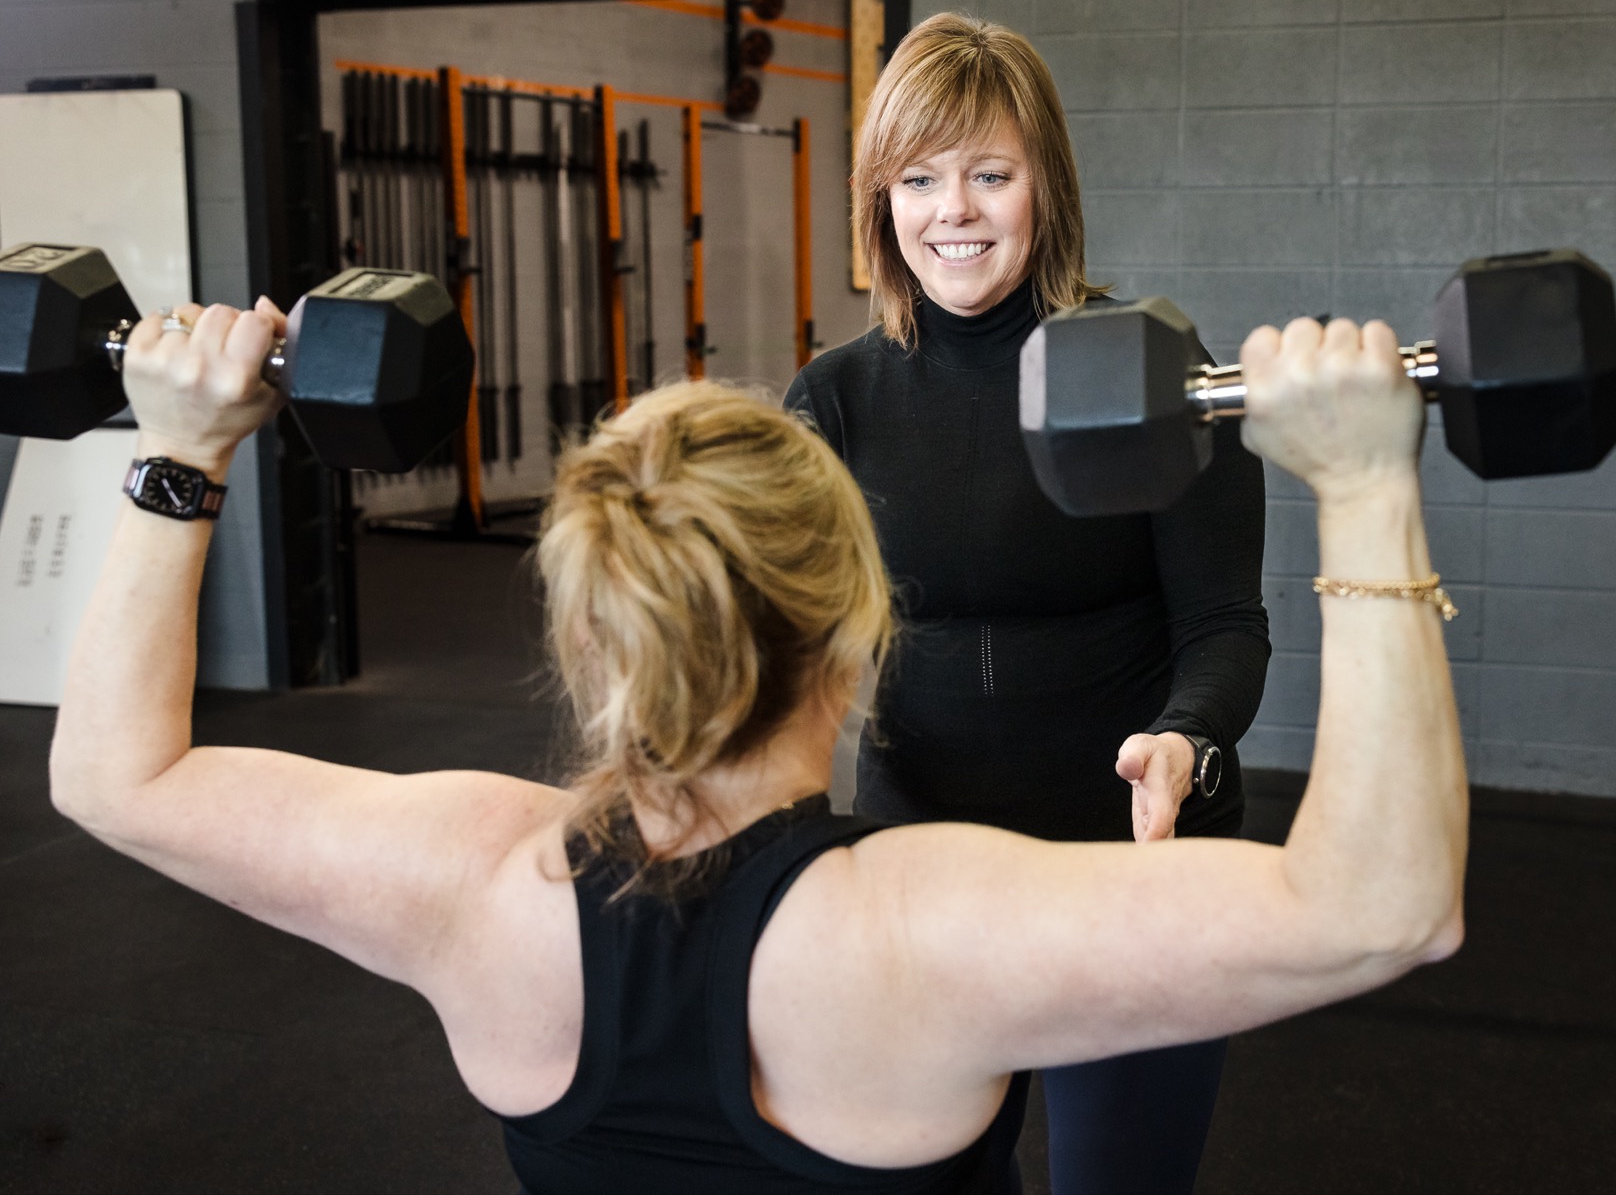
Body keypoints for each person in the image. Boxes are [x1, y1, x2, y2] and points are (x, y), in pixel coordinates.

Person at [50, 295, 1466, 1194]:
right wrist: (1361, 482)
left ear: (588, 634)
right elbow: (1383, 907)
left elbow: (116, 773)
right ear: (856, 641)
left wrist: (183, 447)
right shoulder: (924, 929)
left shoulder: (468, 882)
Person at [783, 12, 1270, 1191]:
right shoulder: (834, 399)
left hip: (1133, 866)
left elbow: (1222, 626)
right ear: (881, 199)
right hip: (924, 869)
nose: (954, 212)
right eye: (920, 179)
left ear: (1043, 183)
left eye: (990, 175)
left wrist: (1186, 738)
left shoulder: (1149, 368)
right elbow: (778, 639)